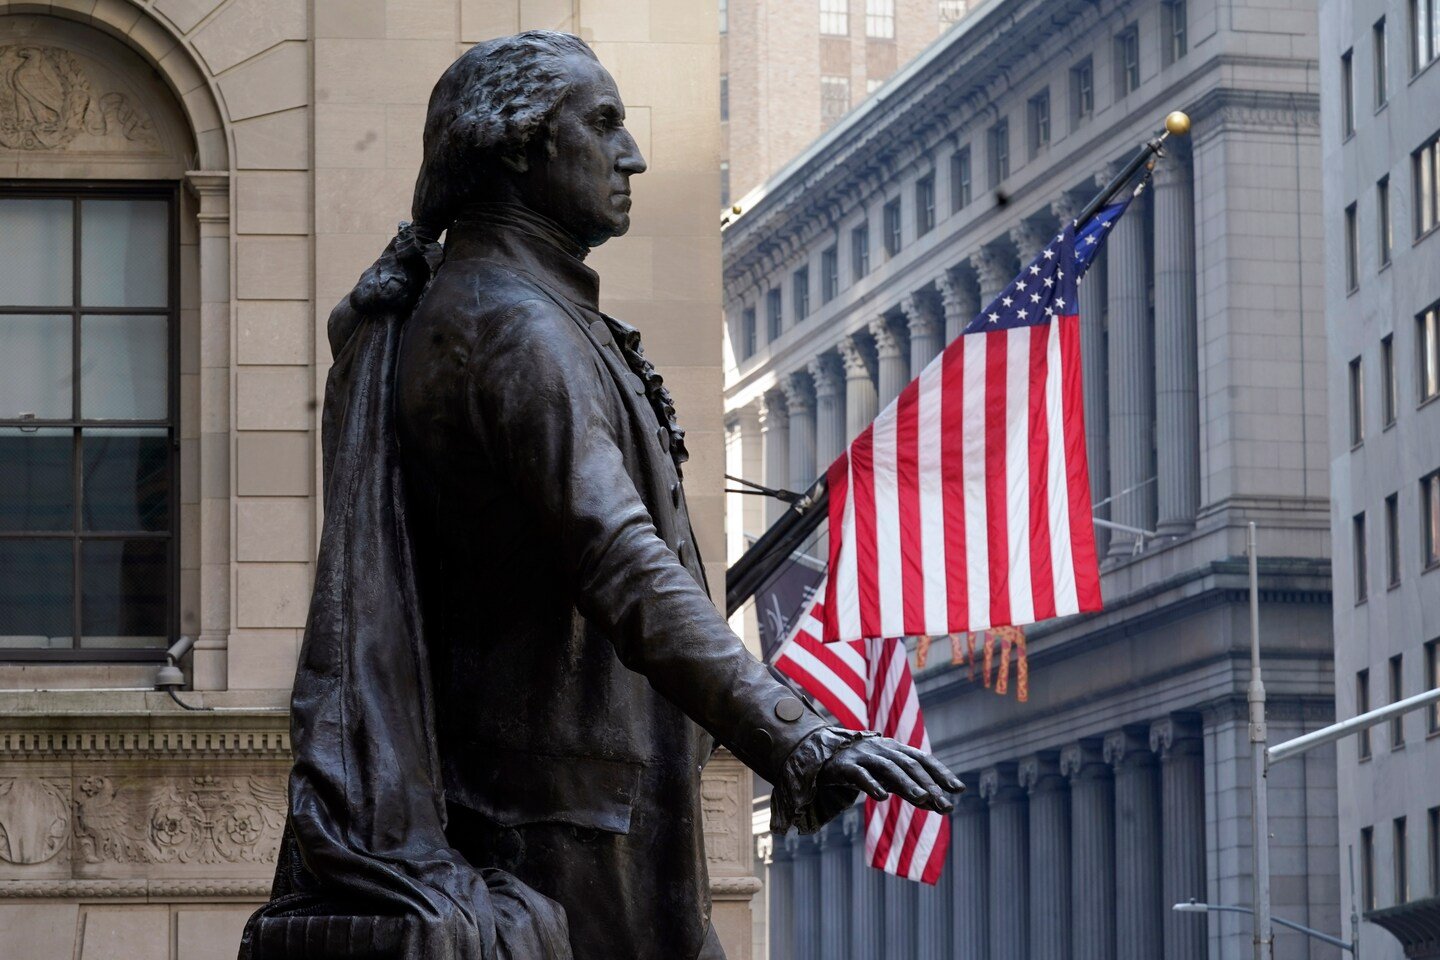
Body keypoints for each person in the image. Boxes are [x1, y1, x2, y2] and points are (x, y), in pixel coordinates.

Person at [242, 32, 963, 960]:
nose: (634, 154)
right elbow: (620, 559)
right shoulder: (510, 327)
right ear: (516, 145)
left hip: (583, 815)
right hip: (558, 832)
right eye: (604, 124)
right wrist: (795, 732)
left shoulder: (514, 313)